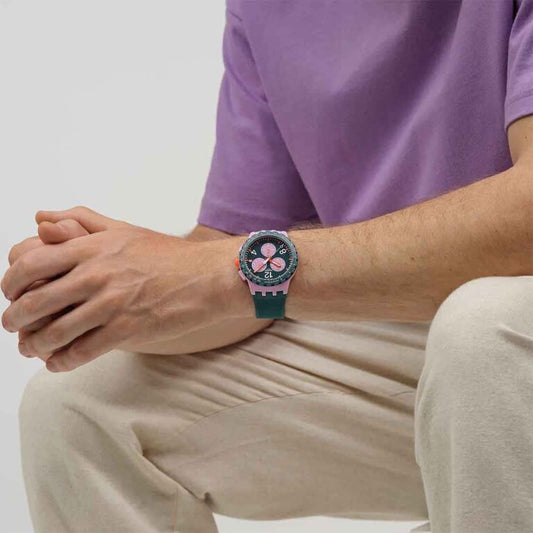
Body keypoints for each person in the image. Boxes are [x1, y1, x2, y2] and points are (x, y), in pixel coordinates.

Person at [3, 1, 533, 532]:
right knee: (76, 406)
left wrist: (221, 272)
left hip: (501, 335)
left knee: (481, 330)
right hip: (415, 343)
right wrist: (113, 290)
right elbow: (237, 268)